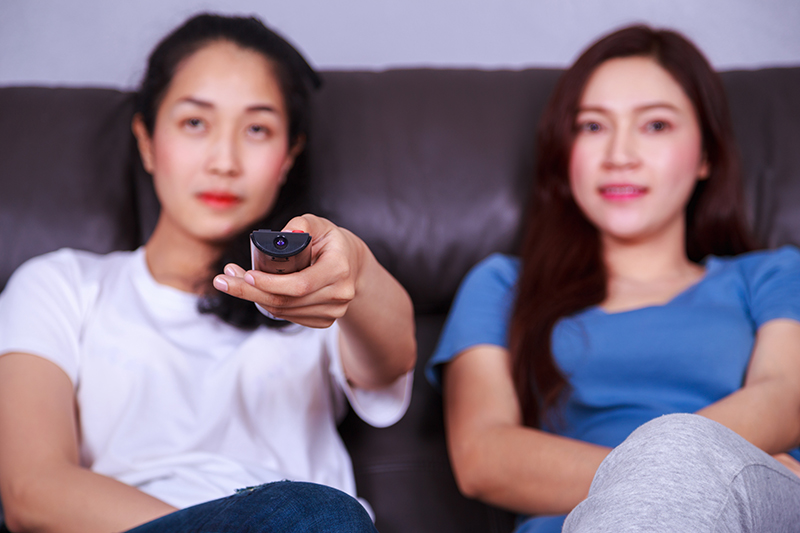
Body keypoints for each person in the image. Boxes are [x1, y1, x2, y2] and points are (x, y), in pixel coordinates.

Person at [0, 13, 416, 533]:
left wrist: (354, 261)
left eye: (257, 129)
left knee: (319, 512)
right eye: (195, 123)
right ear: (147, 139)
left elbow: (393, 357)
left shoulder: (317, 288)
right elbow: (32, 490)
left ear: (289, 156)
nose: (224, 160)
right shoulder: (60, 286)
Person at [426, 25, 800, 533]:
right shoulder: (501, 286)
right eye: (593, 127)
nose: (620, 154)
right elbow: (485, 458)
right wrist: (652, 471)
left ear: (707, 155)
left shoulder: (771, 275)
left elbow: (785, 397)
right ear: (564, 149)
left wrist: (687, 463)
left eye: (656, 126)